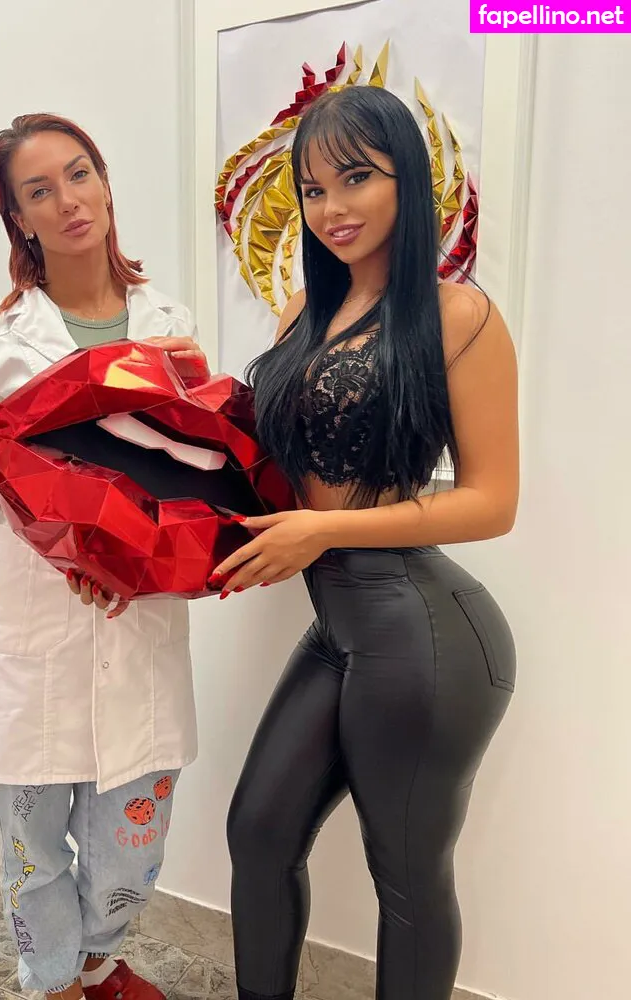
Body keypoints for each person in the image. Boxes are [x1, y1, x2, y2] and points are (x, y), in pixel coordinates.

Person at [210, 86, 519, 1000]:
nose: (332, 207)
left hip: (426, 633)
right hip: (338, 626)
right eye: (312, 189)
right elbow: (265, 471)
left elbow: (493, 503)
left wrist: (324, 530)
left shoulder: (457, 315)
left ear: (406, 181)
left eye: (356, 178)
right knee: (258, 832)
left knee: (407, 876)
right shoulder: (302, 314)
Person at [0, 113, 207, 1000]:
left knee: (132, 835)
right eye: (39, 190)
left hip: (138, 615)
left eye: (79, 173)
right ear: (19, 218)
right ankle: (54, 983)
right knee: (31, 839)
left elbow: (194, 480)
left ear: (106, 181)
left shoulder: (169, 323)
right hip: (35, 620)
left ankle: (95, 963)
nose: (68, 200)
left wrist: (204, 402)